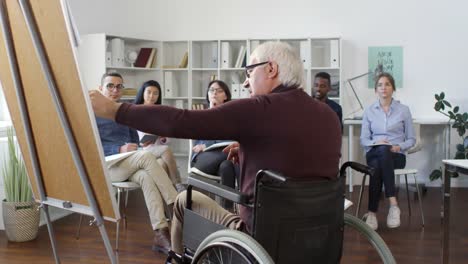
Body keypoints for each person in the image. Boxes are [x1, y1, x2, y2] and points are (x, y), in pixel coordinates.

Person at [90, 42, 342, 254]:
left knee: (181, 200)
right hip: (319, 240)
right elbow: (296, 160)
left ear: (271, 69)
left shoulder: (259, 108)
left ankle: (175, 256)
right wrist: (245, 147)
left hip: (261, 241)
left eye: (249, 72)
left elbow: (184, 121)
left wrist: (117, 110)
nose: (245, 83)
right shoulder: (328, 115)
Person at [96, 72, 177, 253]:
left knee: (146, 177)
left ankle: (160, 232)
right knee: (148, 157)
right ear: (101, 88)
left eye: (119, 86)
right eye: (110, 86)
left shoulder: (125, 112)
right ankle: (175, 206)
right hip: (106, 166)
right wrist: (118, 150)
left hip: (127, 163)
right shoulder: (91, 113)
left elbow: (136, 142)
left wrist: (137, 146)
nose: (115, 90)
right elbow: (89, 147)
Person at [360, 72, 415, 231]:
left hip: (396, 155)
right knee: (382, 149)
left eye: (387, 84)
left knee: (377, 165)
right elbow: (364, 139)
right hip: (374, 152)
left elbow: (411, 139)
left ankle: (371, 213)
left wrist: (398, 147)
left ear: (393, 88)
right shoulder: (369, 111)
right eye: (380, 85)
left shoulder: (403, 110)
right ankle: (393, 204)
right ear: (376, 90)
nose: (383, 88)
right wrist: (376, 142)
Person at [191, 80, 238, 208]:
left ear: (226, 96)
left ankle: (227, 210)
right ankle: (247, 201)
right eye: (212, 90)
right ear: (208, 94)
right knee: (241, 154)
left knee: (227, 166)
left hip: (221, 157)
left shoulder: (231, 117)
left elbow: (232, 139)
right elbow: (198, 139)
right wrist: (212, 112)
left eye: (219, 90)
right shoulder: (201, 115)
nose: (215, 93)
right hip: (203, 158)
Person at [134, 80, 185, 192]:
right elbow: (140, 140)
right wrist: (155, 133)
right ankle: (178, 185)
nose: (152, 96)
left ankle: (170, 197)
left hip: (158, 150)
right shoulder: (136, 111)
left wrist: (163, 137)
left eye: (155, 93)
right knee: (166, 150)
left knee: (162, 165)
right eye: (149, 92)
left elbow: (167, 140)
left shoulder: (160, 112)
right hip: (143, 150)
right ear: (143, 93)